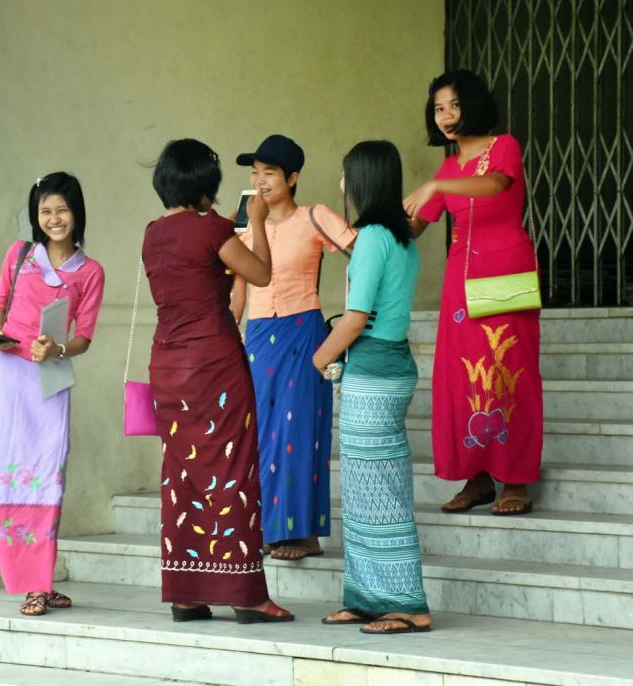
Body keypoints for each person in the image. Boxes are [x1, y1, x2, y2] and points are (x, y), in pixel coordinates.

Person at [142, 139, 293, 624]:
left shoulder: (152, 233)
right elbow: (262, 274)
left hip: (167, 365)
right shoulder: (215, 228)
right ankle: (246, 593)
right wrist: (259, 222)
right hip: (214, 363)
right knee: (232, 471)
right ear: (206, 183)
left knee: (182, 475)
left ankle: (186, 592)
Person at [403, 70, 543, 516]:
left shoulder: (503, 147)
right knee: (462, 379)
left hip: (505, 271)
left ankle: (516, 478)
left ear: (474, 105)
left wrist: (437, 186)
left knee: (511, 372)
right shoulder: (447, 168)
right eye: (439, 108)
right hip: (459, 287)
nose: (445, 116)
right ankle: (477, 477)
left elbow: (497, 185)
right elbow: (412, 227)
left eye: (454, 106)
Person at [314, 140, 431, 634]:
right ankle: (364, 598)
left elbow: (357, 318)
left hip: (374, 371)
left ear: (362, 180)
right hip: (391, 365)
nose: (342, 185)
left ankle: (407, 605)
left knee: (378, 493)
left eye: (346, 175)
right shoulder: (401, 238)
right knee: (365, 491)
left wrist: (318, 358)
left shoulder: (372, 238)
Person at [0, 172, 105, 616]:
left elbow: (84, 338)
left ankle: (41, 581)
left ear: (77, 213)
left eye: (62, 210)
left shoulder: (89, 272)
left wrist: (56, 348)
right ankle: (31, 584)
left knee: (46, 471)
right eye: (45, 211)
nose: (54, 219)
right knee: (7, 470)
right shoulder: (19, 255)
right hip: (5, 375)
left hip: (49, 378)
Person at [230, 134, 355, 561]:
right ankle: (268, 527)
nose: (260, 181)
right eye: (254, 173)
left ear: (293, 177)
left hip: (304, 331)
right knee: (263, 434)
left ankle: (303, 533)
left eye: (269, 173)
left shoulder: (314, 217)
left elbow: (362, 252)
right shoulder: (245, 230)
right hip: (259, 336)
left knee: (301, 429)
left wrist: (362, 311)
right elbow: (237, 295)